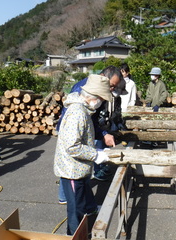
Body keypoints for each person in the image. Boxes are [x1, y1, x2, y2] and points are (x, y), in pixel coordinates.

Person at [54, 74, 112, 236]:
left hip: (78, 168)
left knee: (80, 202)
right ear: (94, 97)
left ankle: (79, 230)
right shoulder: (78, 113)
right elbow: (72, 146)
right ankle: (74, 235)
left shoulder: (84, 110)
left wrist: (96, 152)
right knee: (75, 209)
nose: (101, 102)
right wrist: (95, 155)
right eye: (101, 98)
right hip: (72, 169)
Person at [57, 66, 123, 204]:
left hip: (83, 133)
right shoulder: (82, 96)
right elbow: (73, 142)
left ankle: (84, 203)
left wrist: (102, 134)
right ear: (104, 76)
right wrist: (97, 151)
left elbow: (93, 118)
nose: (112, 89)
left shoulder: (97, 93)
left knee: (82, 171)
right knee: (72, 171)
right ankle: (68, 198)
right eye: (111, 85)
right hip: (73, 136)